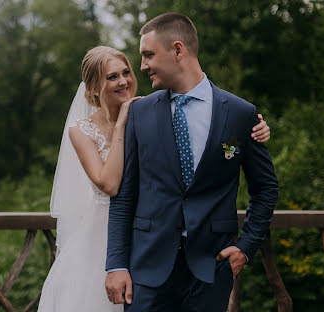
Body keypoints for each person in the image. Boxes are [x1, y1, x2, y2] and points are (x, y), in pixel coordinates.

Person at [38, 44, 270, 311]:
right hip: (104, 241)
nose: (124, 81)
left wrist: (254, 126)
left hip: (162, 242)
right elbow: (111, 185)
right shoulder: (86, 129)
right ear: (93, 88)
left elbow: (212, 123)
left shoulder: (150, 109)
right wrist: (124, 122)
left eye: (126, 72)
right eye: (112, 77)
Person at [105, 13, 279, 312]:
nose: (143, 66)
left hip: (211, 269)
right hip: (147, 270)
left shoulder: (240, 113)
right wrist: (116, 264)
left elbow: (265, 188)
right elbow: (124, 195)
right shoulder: (139, 113)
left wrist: (245, 247)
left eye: (148, 55)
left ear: (177, 50)